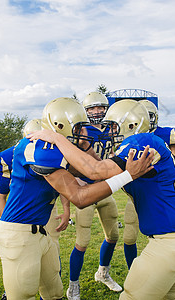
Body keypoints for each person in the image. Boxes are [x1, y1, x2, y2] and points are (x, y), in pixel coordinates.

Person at [27, 99, 175, 300]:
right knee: (172, 297)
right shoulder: (143, 143)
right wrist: (83, 148)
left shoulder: (142, 141)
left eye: (112, 127)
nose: (108, 132)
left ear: (131, 125)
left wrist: (57, 139)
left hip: (172, 241)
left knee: (131, 296)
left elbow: (96, 171)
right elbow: (101, 169)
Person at [0, 97, 153, 300]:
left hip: (41, 232)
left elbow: (96, 171)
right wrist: (127, 175)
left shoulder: (56, 148)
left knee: (54, 293)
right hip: (19, 233)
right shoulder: (42, 148)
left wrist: (85, 145)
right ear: (59, 126)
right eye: (79, 128)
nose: (84, 132)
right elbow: (80, 196)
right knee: (22, 296)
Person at [0, 118, 70, 300]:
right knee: (23, 290)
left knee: (54, 288)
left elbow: (67, 183)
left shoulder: (56, 153)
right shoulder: (14, 154)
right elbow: (1, 195)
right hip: (21, 223)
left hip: (42, 223)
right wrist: (13, 227)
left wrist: (66, 208)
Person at [66, 92, 121, 300]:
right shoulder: (79, 130)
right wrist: (80, 178)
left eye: (99, 108)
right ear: (85, 111)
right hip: (87, 189)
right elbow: (70, 163)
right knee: (82, 241)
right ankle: (73, 285)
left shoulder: (113, 129)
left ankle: (103, 273)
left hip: (105, 189)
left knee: (113, 235)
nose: (96, 112)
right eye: (91, 109)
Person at [122, 99, 175, 269]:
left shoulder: (163, 134)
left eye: (149, 116)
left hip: (159, 194)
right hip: (137, 194)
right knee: (129, 238)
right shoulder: (127, 136)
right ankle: (132, 270)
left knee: (160, 236)